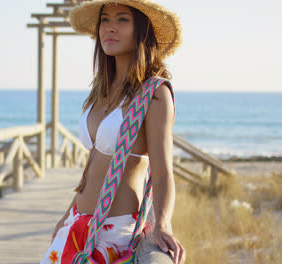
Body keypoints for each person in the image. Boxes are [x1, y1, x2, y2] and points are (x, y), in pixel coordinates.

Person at [40, 1, 185, 263]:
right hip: (76, 225)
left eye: (122, 20)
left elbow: (163, 172)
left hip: (113, 234)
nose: (110, 28)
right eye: (105, 20)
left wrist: (163, 223)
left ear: (142, 30)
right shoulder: (101, 90)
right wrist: (67, 215)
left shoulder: (153, 94)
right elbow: (94, 164)